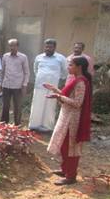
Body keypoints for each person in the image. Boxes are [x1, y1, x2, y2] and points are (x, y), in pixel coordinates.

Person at [45, 57, 92, 185]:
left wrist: (59, 96)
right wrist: (55, 90)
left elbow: (77, 103)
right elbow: (69, 97)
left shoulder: (81, 82)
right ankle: (65, 170)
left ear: (79, 67)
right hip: (67, 116)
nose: (68, 67)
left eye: (71, 65)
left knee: (70, 147)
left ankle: (71, 176)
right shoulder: (76, 80)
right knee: (63, 145)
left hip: (73, 120)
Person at [29, 39, 68, 132]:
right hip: (39, 86)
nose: (48, 48)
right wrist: (41, 77)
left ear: (54, 47)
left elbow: (65, 72)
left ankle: (47, 127)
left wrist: (56, 79)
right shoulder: (39, 57)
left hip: (53, 87)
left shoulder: (61, 58)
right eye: (46, 46)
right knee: (37, 105)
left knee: (50, 107)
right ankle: (34, 125)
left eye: (50, 47)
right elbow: (35, 69)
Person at [0, 39, 30, 125]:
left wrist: (24, 85)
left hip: (18, 86)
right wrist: (1, 83)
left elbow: (26, 72)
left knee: (17, 106)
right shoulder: (5, 56)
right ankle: (4, 123)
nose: (12, 47)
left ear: (17, 46)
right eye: (10, 45)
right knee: (5, 106)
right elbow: (2, 71)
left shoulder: (23, 57)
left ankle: (17, 124)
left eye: (14, 45)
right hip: (6, 85)